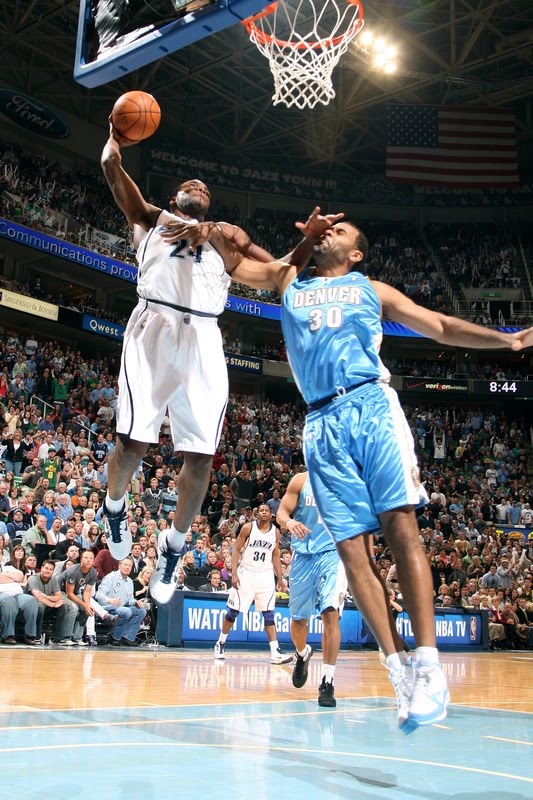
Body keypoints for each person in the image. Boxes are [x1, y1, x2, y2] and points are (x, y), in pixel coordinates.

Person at [168, 215, 533, 732]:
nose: (328, 236)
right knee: (353, 553)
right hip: (320, 423)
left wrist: (512, 341)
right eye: (325, 232)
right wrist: (208, 230)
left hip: (371, 407)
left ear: (355, 253)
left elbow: (442, 326)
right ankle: (399, 672)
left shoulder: (372, 288)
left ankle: (429, 666)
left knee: (402, 529)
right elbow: (235, 255)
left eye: (339, 233)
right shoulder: (287, 278)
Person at [100, 124, 338, 604]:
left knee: (202, 456)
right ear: (175, 196)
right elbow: (111, 167)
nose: (200, 188)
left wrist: (310, 240)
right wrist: (114, 135)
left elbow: (278, 273)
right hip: (153, 328)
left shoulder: (226, 244)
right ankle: (114, 505)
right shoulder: (151, 219)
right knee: (133, 442)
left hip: (205, 341)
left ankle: (174, 546)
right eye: (192, 185)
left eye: (206, 188)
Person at [276, 471, 347, 708]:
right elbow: (281, 513)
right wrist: (289, 522)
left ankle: (327, 681)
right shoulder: (300, 480)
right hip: (303, 556)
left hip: (333, 554)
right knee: (298, 623)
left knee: (330, 614)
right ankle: (303, 653)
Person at [213, 504, 292, 664]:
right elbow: (236, 551)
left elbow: (276, 555)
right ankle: (220, 642)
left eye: (267, 511)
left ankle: (275, 651)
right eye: (261, 510)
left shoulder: (275, 532)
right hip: (246, 573)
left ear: (271, 515)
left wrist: (280, 577)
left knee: (268, 613)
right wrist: (234, 573)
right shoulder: (248, 528)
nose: (263, 512)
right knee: (233, 612)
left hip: (265, 575)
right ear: (257, 514)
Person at [96, 558, 147, 647]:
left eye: (130, 566)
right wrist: (109, 600)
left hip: (122, 608)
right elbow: (98, 594)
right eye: (125, 565)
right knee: (126, 611)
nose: (127, 568)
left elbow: (130, 599)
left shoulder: (130, 581)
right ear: (119, 566)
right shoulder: (111, 577)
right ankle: (114, 637)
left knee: (142, 611)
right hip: (106, 608)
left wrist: (136, 602)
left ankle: (127, 637)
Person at [25, 559, 77, 644]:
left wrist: (48, 597)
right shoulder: (33, 578)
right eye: (46, 568)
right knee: (40, 606)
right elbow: (39, 597)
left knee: (63, 606)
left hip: (47, 604)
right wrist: (53, 604)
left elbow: (58, 596)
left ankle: (57, 637)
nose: (48, 571)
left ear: (53, 571)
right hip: (32, 605)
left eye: (50, 569)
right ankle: (36, 636)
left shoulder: (53, 579)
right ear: (41, 568)